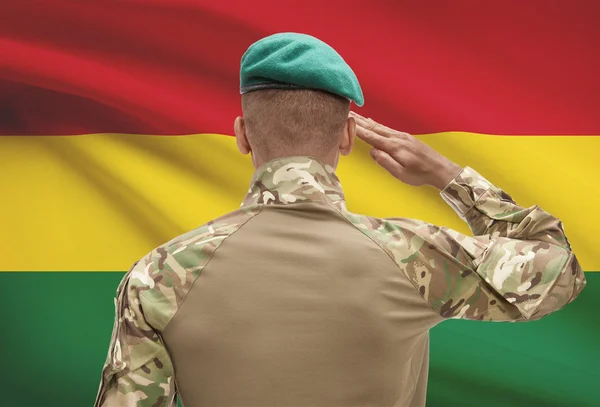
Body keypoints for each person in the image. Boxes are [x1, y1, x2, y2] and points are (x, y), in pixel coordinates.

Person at [94, 33, 586, 407]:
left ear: (243, 135)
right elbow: (559, 269)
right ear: (349, 135)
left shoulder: (158, 275)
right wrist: (448, 175)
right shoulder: (415, 256)